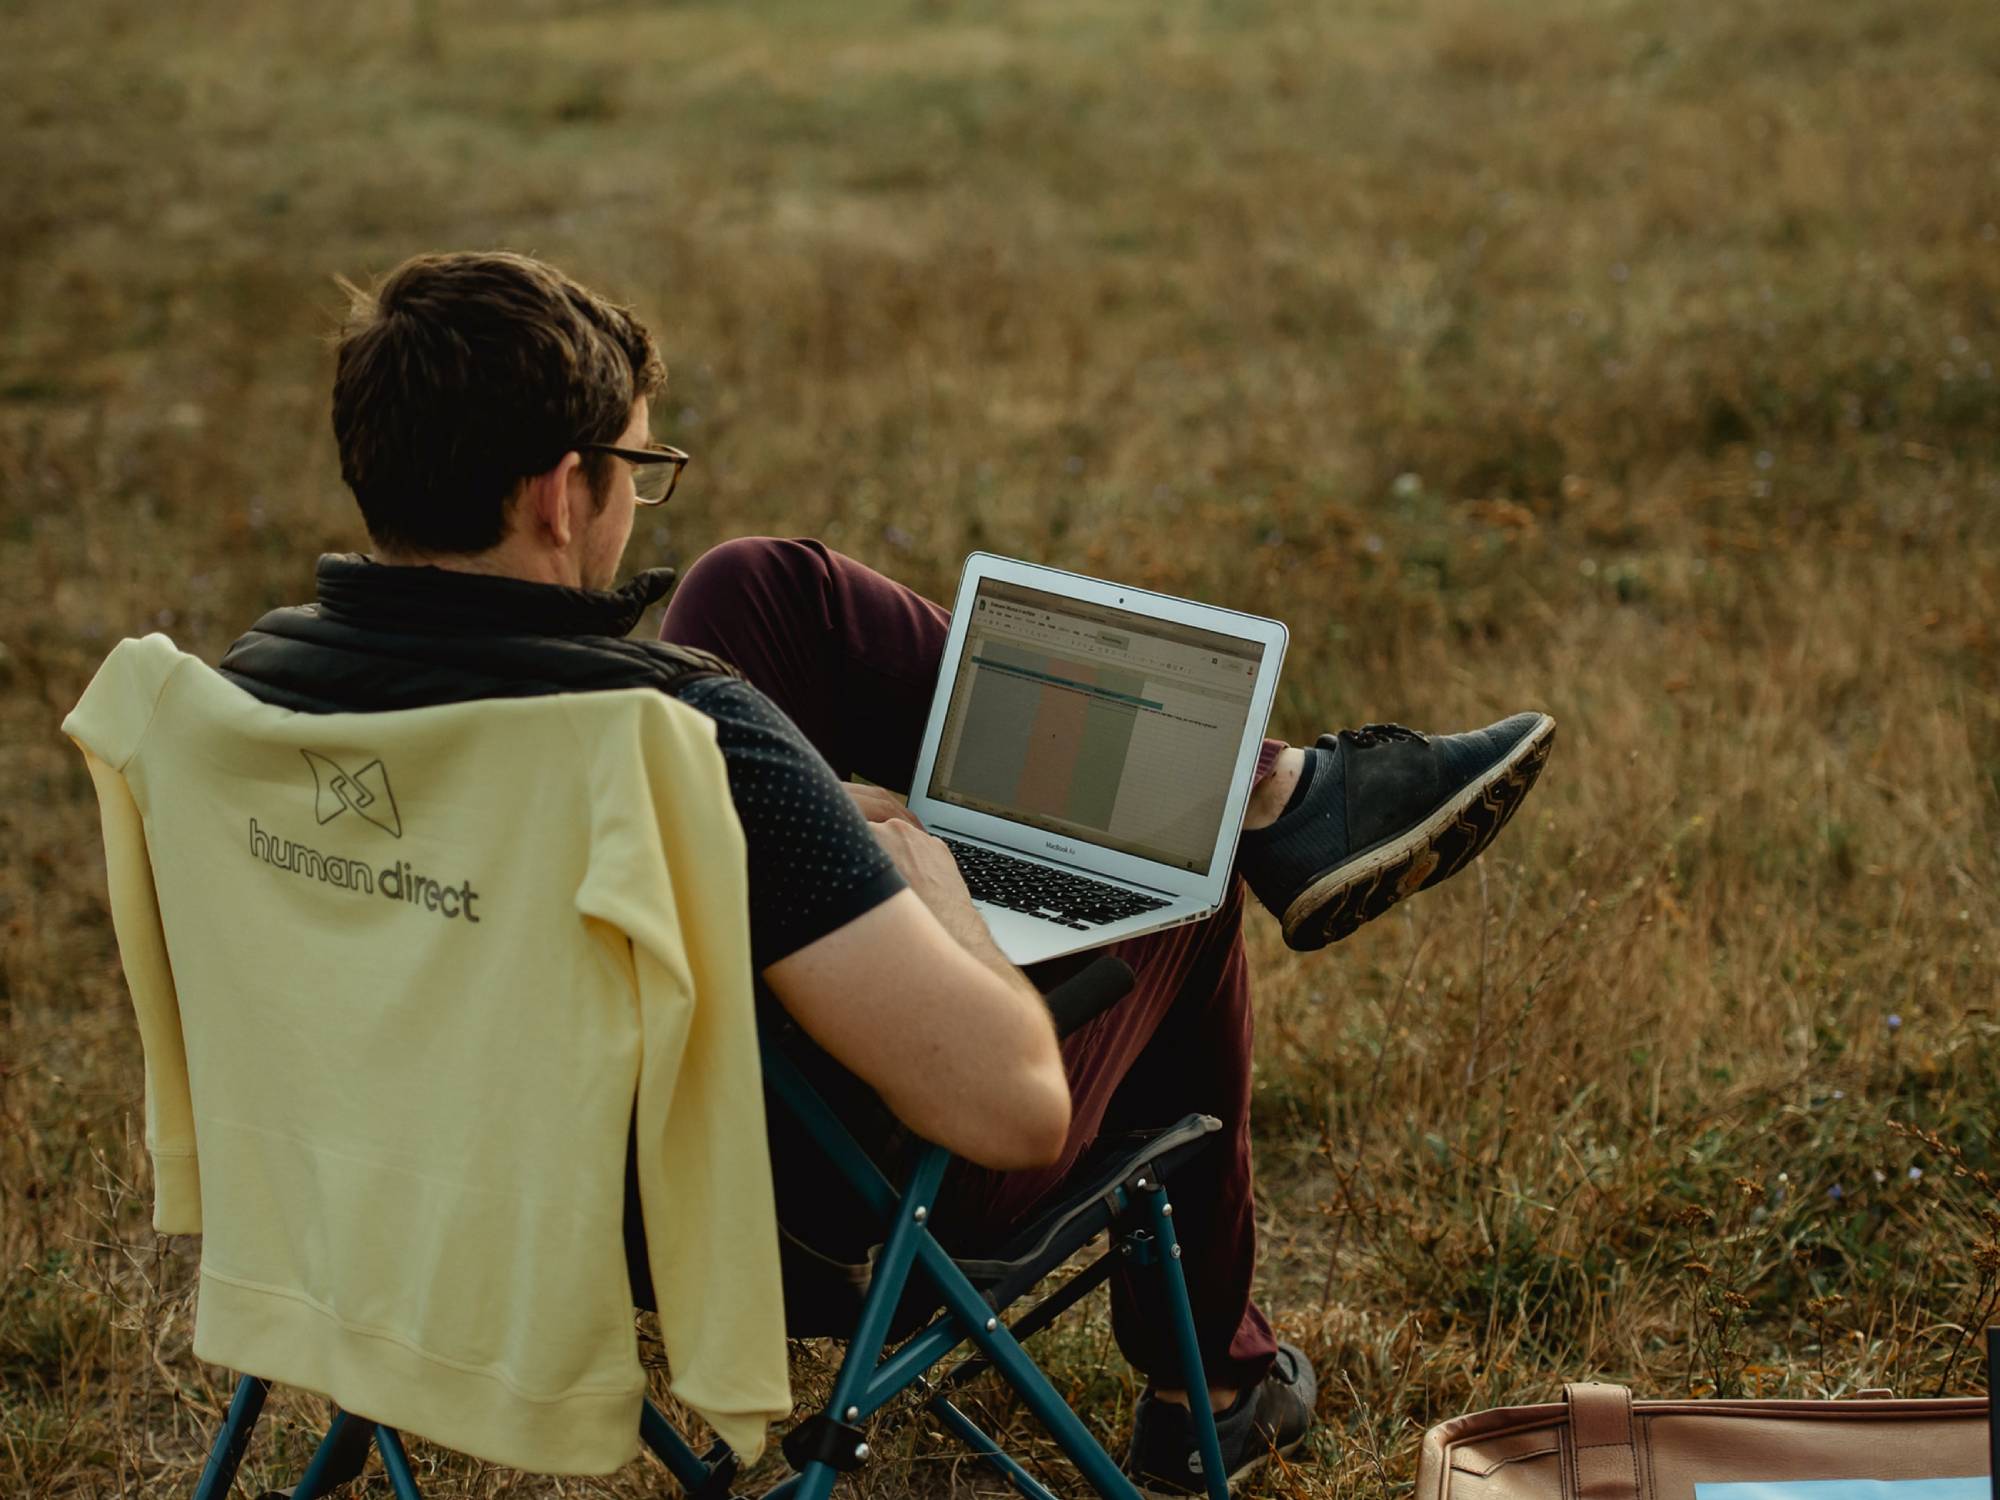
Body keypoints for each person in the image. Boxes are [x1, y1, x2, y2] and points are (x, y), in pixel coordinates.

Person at [216, 250, 1553, 1495]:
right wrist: (901, 854)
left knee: (760, 586)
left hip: (435, 1165)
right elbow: (1013, 1108)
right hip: (791, 1202)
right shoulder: (681, 746)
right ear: (559, 494)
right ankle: (1218, 1364)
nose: (641, 496)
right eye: (638, 467)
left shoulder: (245, 709)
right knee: (1188, 878)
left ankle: (1272, 787)